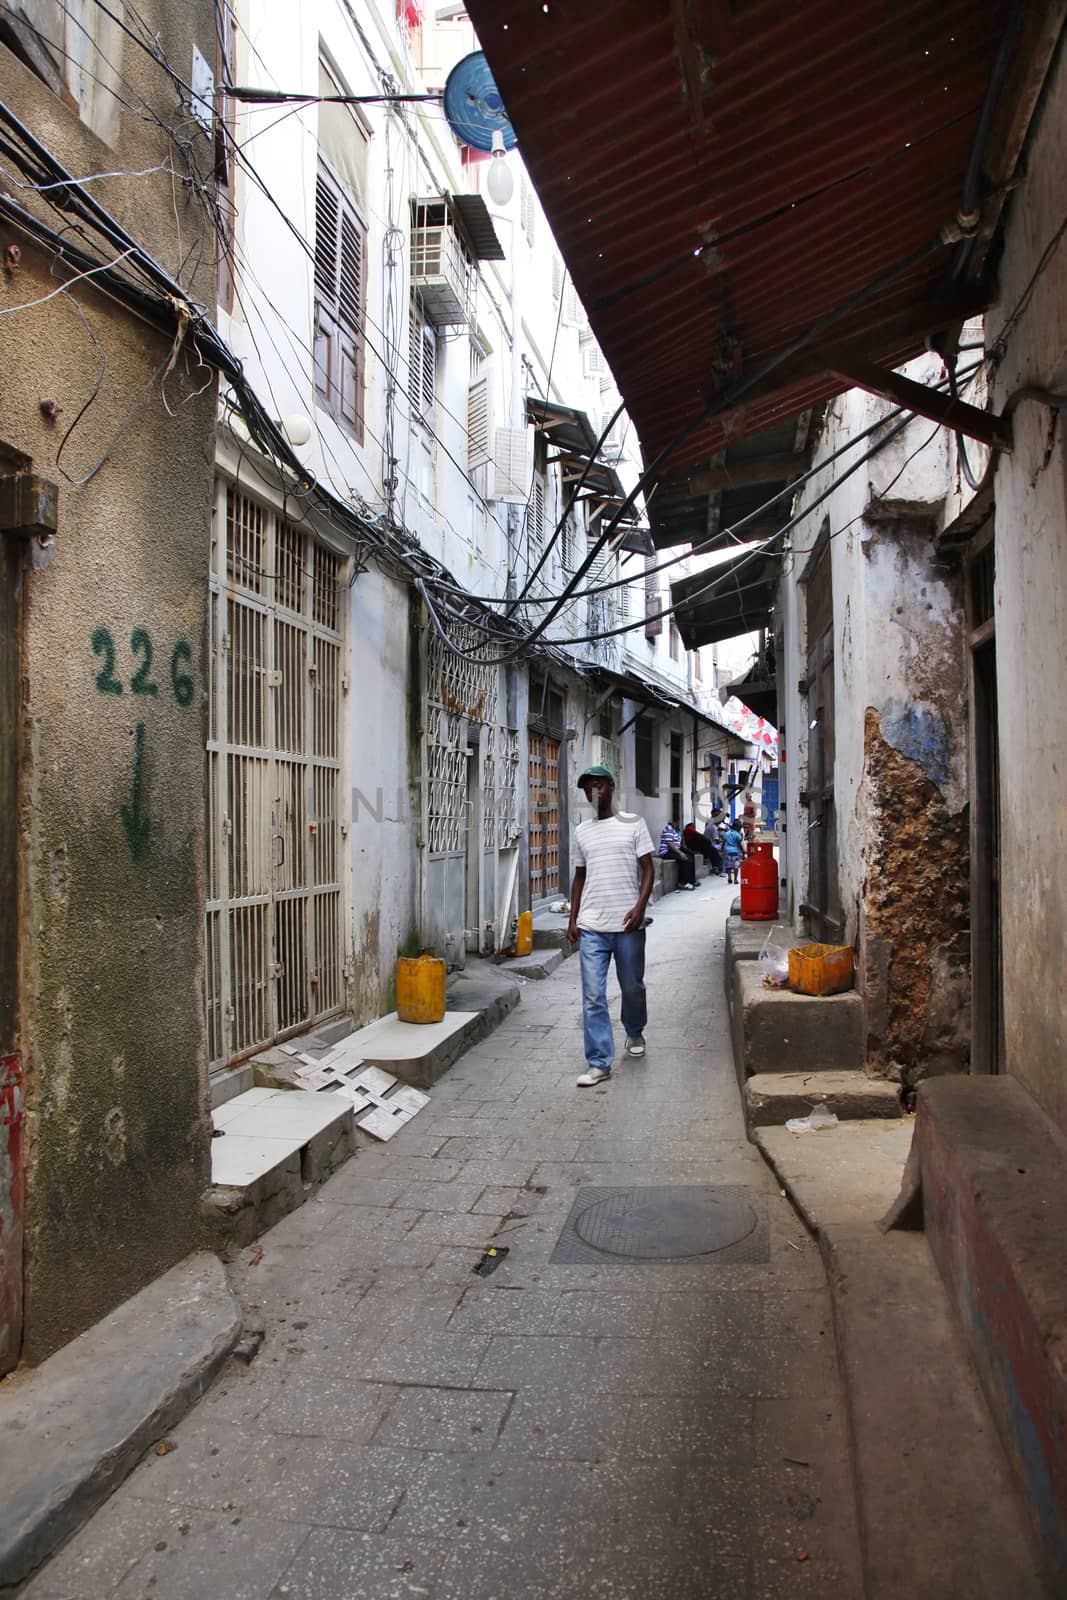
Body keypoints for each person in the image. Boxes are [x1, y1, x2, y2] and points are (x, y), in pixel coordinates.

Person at [565, 765, 655, 1087]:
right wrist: (573, 918)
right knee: (592, 995)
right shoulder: (581, 831)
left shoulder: (633, 824)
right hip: (592, 925)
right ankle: (599, 1062)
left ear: (611, 787)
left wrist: (639, 906)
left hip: (628, 925)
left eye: (599, 785)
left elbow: (648, 869)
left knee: (632, 987)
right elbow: (579, 876)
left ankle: (634, 1030)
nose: (594, 792)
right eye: (588, 787)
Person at [658, 817, 697, 889]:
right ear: (676, 822)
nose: (679, 824)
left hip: (675, 849)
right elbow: (669, 844)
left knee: (691, 854)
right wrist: (680, 853)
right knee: (685, 859)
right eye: (679, 822)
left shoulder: (675, 830)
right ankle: (682, 883)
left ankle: (691, 880)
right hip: (666, 851)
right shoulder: (668, 829)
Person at [722, 817, 745, 883]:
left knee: (728, 865)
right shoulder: (738, 835)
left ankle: (729, 877)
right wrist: (743, 852)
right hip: (735, 852)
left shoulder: (727, 833)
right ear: (737, 827)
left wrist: (722, 850)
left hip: (727, 851)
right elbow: (739, 845)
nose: (740, 829)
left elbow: (724, 842)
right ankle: (735, 879)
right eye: (740, 828)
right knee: (736, 866)